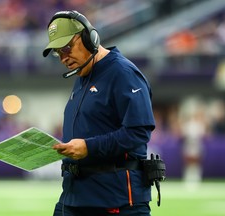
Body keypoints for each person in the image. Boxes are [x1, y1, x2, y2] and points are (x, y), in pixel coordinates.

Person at [43, 10, 155, 216]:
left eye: (67, 47)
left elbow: (139, 131)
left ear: (90, 38)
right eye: (58, 52)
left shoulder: (123, 73)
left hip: (115, 200)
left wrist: (89, 147)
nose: (63, 57)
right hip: (74, 197)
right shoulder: (82, 78)